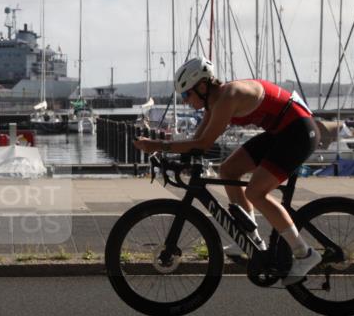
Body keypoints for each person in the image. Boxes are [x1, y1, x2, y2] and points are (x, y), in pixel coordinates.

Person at [133, 57, 321, 285]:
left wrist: (157, 146)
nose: (186, 100)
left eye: (187, 95)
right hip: (279, 131)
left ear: (202, 87)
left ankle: (304, 253)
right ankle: (251, 236)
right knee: (228, 170)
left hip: (299, 131)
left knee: (255, 192)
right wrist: (175, 158)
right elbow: (196, 141)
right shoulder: (213, 103)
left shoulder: (227, 98)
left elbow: (203, 144)